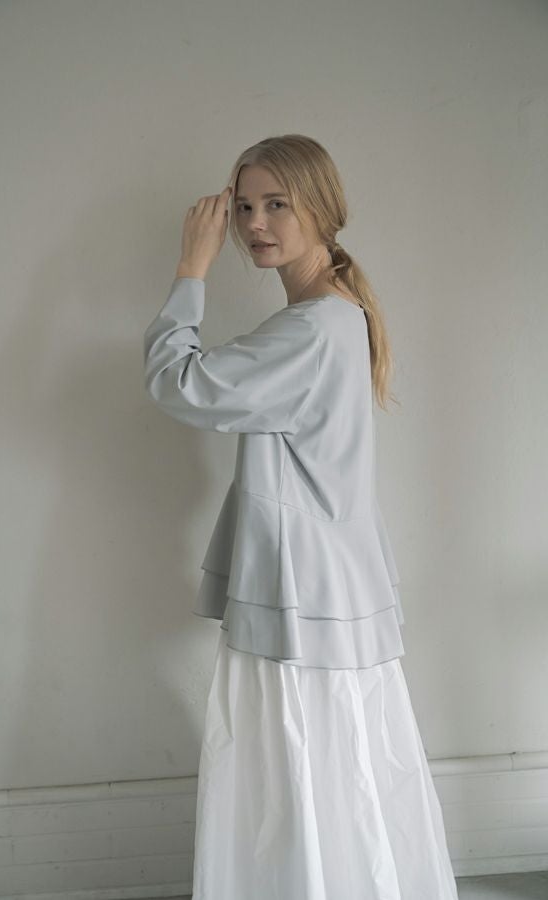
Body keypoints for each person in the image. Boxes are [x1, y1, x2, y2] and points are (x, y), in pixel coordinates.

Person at [143, 134, 459, 900]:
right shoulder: (334, 315)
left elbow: (176, 382)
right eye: (245, 206)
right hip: (328, 588)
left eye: (277, 204)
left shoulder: (311, 329)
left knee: (296, 778)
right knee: (327, 775)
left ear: (321, 208)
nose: (255, 223)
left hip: (300, 594)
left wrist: (191, 269)